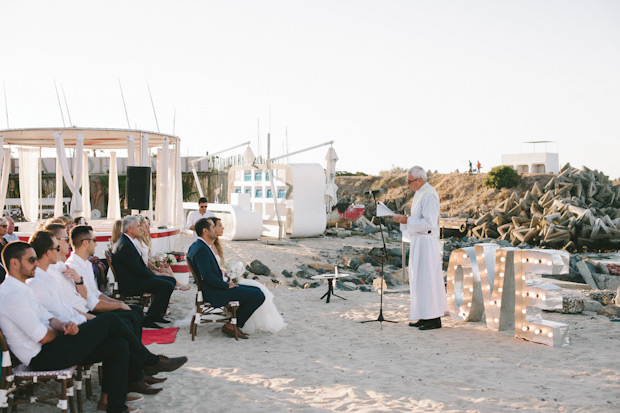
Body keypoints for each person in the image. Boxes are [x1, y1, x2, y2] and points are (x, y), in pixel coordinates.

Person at [0, 241, 141, 412]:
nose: (36, 263)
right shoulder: (12, 295)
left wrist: (65, 325)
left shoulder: (22, 288)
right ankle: (148, 360)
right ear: (14, 263)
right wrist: (63, 332)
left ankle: (111, 403)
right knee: (110, 320)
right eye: (31, 260)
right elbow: (43, 336)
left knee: (118, 345)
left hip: (53, 346)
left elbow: (49, 318)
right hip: (41, 357)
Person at [186, 218, 265, 339]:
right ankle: (232, 325)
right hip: (215, 292)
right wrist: (226, 285)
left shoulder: (198, 245)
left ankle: (233, 323)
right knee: (259, 296)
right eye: (213, 227)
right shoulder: (201, 249)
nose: (215, 230)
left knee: (257, 291)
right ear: (205, 231)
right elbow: (207, 276)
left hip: (215, 288)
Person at [207, 217, 285, 334]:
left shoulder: (214, 245)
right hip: (221, 286)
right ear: (208, 230)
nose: (222, 228)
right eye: (218, 226)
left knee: (258, 288)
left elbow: (216, 270)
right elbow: (211, 273)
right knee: (258, 292)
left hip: (224, 281)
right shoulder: (208, 247)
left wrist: (230, 274)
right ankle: (234, 324)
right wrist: (227, 280)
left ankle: (236, 322)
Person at [392, 166, 447, 330]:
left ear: (419, 180)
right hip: (419, 241)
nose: (408, 184)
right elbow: (418, 219)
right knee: (418, 280)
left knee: (427, 279)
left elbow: (429, 222)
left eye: (409, 181)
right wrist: (406, 220)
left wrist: (406, 221)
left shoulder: (428, 195)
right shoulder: (420, 193)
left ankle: (433, 318)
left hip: (426, 243)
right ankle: (424, 315)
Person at [111, 216, 176, 328]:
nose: (140, 229)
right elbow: (136, 269)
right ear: (129, 229)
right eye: (137, 226)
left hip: (136, 277)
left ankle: (159, 314)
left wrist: (155, 274)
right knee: (166, 285)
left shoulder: (127, 241)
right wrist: (154, 275)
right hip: (131, 283)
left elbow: (138, 267)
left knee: (170, 280)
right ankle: (150, 318)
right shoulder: (125, 245)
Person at [136, 216, 190, 291]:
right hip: (145, 269)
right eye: (146, 227)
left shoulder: (146, 240)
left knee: (166, 268)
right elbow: (144, 261)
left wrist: (158, 263)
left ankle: (175, 285)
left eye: (149, 226)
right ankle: (175, 286)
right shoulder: (139, 242)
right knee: (165, 271)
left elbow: (148, 258)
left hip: (148, 266)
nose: (148, 229)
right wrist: (155, 267)